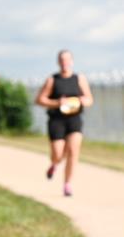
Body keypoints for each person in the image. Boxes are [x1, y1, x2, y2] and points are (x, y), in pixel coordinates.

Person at [34, 50, 93, 197]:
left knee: (73, 151)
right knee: (58, 154)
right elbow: (39, 100)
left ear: (72, 61)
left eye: (67, 60)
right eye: (62, 60)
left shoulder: (79, 78)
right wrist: (56, 103)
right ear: (58, 62)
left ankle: (67, 184)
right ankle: (54, 164)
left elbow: (89, 99)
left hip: (74, 119)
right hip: (57, 120)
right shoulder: (52, 80)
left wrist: (81, 101)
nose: (65, 62)